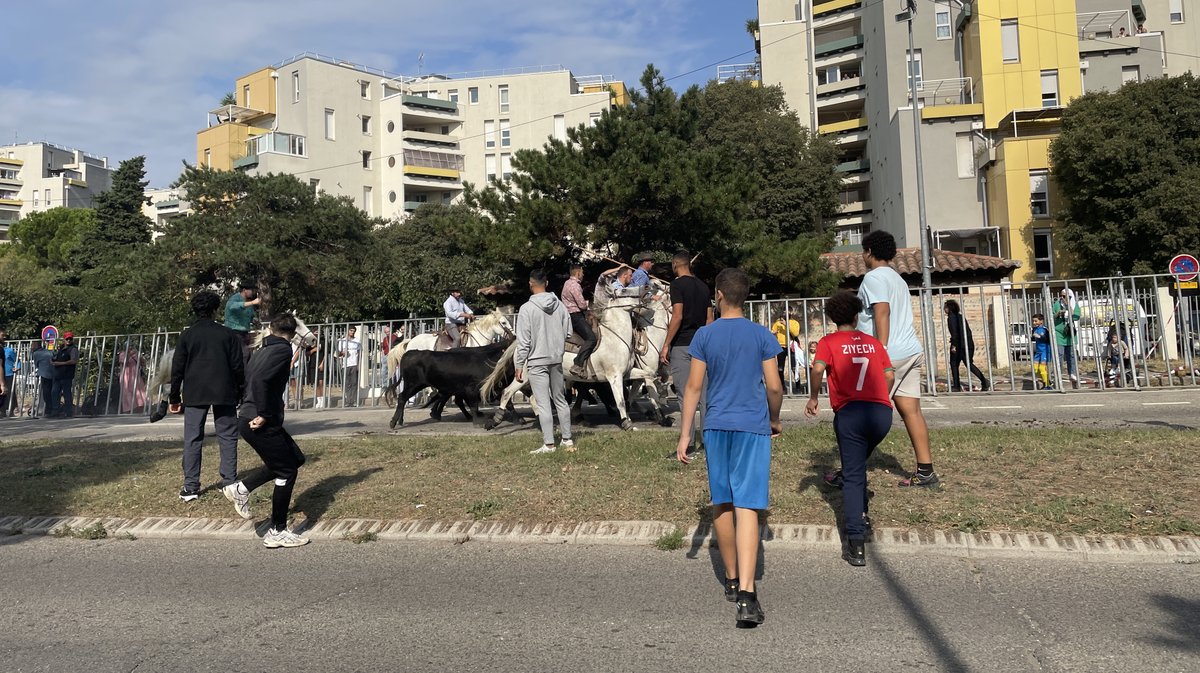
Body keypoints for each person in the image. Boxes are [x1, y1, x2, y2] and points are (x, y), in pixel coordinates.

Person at [676, 267, 782, 628]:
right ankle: (749, 598)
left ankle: (733, 580)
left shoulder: (705, 336)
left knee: (721, 501)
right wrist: (774, 419)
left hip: (717, 426)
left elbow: (693, 388)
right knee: (748, 505)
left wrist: (685, 433)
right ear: (745, 296)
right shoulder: (762, 334)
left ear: (718, 295)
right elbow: (774, 387)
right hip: (752, 425)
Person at [833, 230, 937, 488]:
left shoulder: (873, 278)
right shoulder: (897, 279)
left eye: (863, 252)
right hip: (911, 351)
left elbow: (882, 312)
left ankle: (849, 472)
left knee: (866, 417)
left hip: (890, 356)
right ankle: (926, 471)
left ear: (869, 252)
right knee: (911, 411)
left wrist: (881, 351)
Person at [804, 291, 894, 567]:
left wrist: (815, 396)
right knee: (857, 466)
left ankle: (856, 540)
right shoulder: (872, 343)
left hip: (850, 413)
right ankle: (862, 511)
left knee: (853, 474)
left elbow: (818, 368)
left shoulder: (828, 342)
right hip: (881, 414)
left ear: (832, 318)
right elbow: (889, 374)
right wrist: (882, 396)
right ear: (856, 317)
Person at [222, 314, 310, 548]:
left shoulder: (261, 350)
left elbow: (248, 380)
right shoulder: (283, 350)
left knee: (295, 458)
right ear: (293, 333)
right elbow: (261, 381)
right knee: (287, 471)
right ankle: (277, 531)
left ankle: (241, 489)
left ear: (271, 329)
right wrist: (263, 413)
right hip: (260, 420)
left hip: (250, 417)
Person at [169, 291, 246, 502]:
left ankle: (191, 486)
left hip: (195, 391)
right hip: (224, 390)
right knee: (228, 436)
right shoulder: (228, 334)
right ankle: (229, 482)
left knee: (193, 438)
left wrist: (174, 397)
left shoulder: (187, 335)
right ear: (215, 310)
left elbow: (177, 369)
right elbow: (238, 366)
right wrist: (241, 389)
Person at [515, 269, 574, 455]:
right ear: (547, 283)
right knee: (560, 399)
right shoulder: (560, 306)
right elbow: (569, 333)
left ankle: (549, 444)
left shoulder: (526, 309)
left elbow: (523, 341)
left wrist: (519, 364)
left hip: (536, 359)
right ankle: (567, 439)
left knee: (543, 403)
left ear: (530, 284)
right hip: (556, 358)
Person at [661, 250, 713, 457]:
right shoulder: (703, 286)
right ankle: (709, 444)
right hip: (702, 346)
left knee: (685, 395)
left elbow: (677, 315)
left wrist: (666, 343)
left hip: (682, 345)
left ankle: (688, 443)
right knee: (705, 397)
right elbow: (710, 319)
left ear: (675, 265)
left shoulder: (676, 285)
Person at [944, 299, 990, 392]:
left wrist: (953, 345)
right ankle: (984, 382)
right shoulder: (960, 317)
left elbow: (955, 333)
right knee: (967, 364)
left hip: (959, 345)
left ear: (949, 308)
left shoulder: (951, 318)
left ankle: (957, 386)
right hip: (968, 344)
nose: (944, 309)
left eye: (945, 307)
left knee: (954, 364)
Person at [562, 265, 596, 377]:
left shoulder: (567, 283)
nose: (583, 274)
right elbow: (581, 305)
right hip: (576, 316)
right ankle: (578, 364)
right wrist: (588, 304)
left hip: (570, 315)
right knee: (591, 338)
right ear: (577, 273)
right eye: (582, 272)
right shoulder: (575, 285)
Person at [225, 280, 261, 365]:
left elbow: (251, 315)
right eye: (252, 290)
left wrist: (255, 320)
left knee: (248, 356)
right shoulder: (234, 299)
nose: (253, 292)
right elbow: (233, 307)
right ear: (245, 290)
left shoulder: (248, 302)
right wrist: (253, 302)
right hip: (233, 332)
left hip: (245, 333)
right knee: (245, 354)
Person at [1053, 288, 1081, 389]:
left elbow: (1077, 316)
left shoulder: (1073, 304)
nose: (1062, 298)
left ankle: (1072, 373)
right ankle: (1058, 374)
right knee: (1059, 355)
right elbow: (1051, 316)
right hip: (1059, 333)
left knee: (1071, 355)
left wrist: (1068, 306)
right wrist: (1058, 314)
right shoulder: (1056, 304)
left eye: (1064, 296)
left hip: (1069, 332)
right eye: (1061, 296)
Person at [50, 332, 80, 418]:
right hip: (58, 375)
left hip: (67, 375)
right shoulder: (61, 348)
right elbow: (56, 358)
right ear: (64, 339)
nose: (69, 340)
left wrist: (60, 363)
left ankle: (68, 411)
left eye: (70, 339)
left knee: (67, 394)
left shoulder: (73, 349)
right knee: (54, 393)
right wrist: (53, 361)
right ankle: (55, 410)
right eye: (67, 339)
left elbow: (74, 361)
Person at [770, 310, 801, 382]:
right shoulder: (777, 323)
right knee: (780, 368)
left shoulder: (795, 323)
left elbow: (795, 334)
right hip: (781, 347)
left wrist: (786, 324)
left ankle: (798, 386)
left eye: (787, 312)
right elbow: (772, 332)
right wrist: (773, 333)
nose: (785, 313)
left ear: (791, 312)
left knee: (794, 367)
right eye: (784, 312)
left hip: (791, 346)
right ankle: (782, 386)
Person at [336, 326, 362, 407]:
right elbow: (338, 353)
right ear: (347, 331)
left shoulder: (357, 341)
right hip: (345, 364)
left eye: (353, 331)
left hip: (354, 364)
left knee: (354, 383)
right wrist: (342, 353)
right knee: (346, 383)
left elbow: (359, 353)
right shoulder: (342, 341)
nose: (352, 332)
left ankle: (353, 400)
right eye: (351, 330)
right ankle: (348, 400)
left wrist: (358, 364)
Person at [31, 342, 55, 417]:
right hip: (54, 373)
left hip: (45, 374)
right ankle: (54, 409)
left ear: (36, 346)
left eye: (32, 346)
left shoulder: (36, 354)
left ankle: (49, 410)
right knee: (53, 392)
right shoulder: (49, 351)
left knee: (46, 393)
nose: (31, 347)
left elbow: (36, 364)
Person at [0, 329, 19, 417]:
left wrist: (17, 367)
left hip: (9, 374)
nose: (4, 337)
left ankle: (11, 410)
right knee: (1, 393)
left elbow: (17, 360)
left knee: (10, 392)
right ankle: (2, 411)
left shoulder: (9, 350)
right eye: (2, 335)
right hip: (1, 375)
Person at [1031, 313, 1052, 390]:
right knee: (1035, 368)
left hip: (1045, 350)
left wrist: (1040, 336)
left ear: (1041, 321)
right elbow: (1033, 338)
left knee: (1042, 368)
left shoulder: (1045, 329)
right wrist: (1031, 337)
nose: (1034, 323)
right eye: (1033, 321)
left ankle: (1047, 385)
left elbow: (1047, 339)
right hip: (1038, 351)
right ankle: (1046, 380)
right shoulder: (1034, 329)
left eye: (1036, 321)